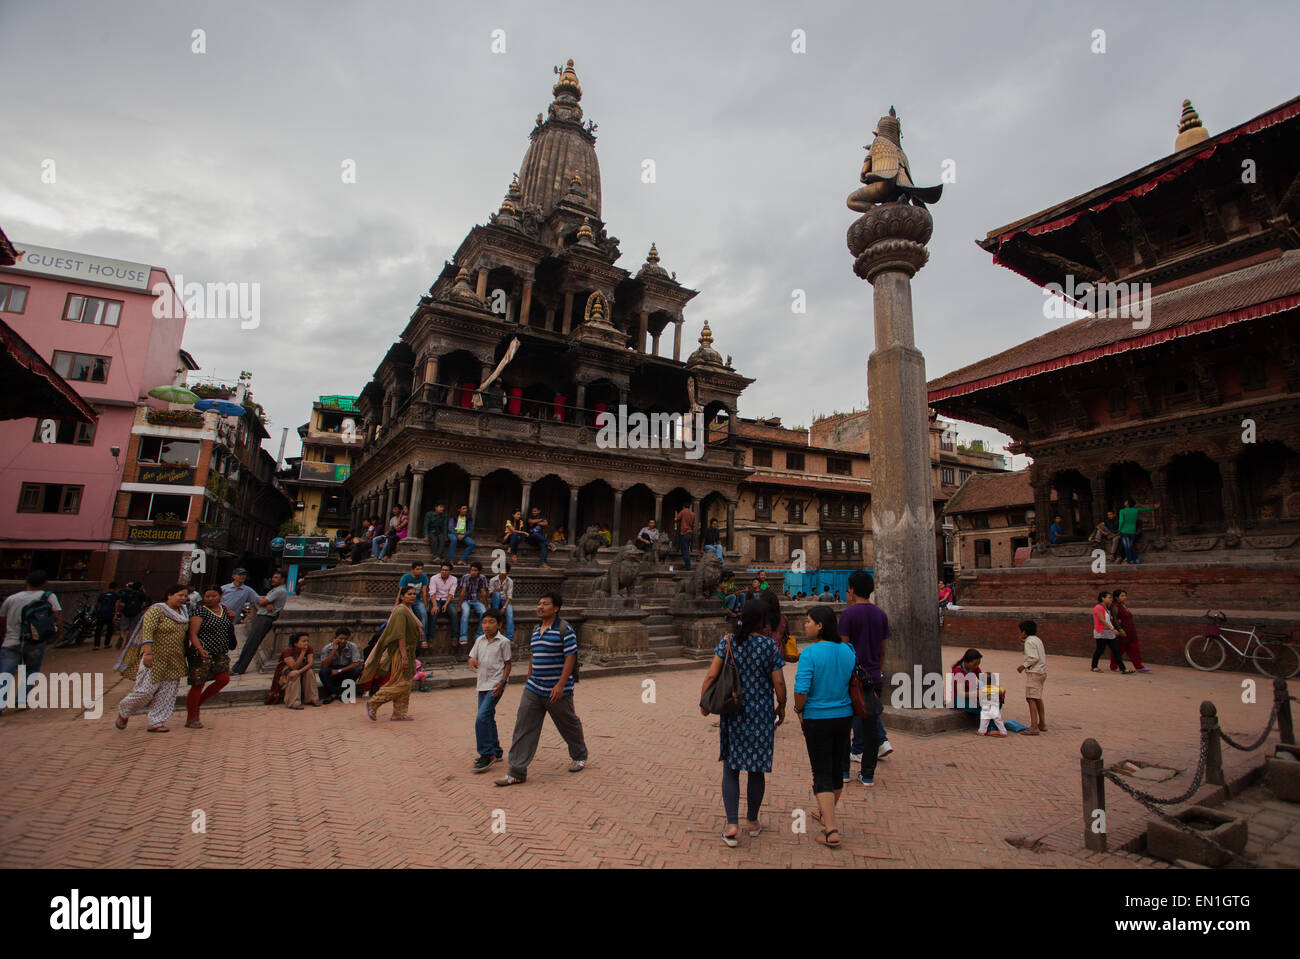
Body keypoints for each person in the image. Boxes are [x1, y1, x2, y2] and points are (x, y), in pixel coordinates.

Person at [700, 598, 786, 846]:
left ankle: (731, 824)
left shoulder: (727, 642)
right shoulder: (768, 646)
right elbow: (778, 682)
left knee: (731, 768)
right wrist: (782, 704)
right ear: (761, 622)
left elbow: (711, 675)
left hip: (733, 711)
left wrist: (704, 703)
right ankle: (752, 820)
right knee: (756, 769)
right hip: (760, 715)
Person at [495, 592, 588, 785]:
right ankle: (517, 771)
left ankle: (579, 755)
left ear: (555, 609)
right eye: (539, 603)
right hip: (534, 687)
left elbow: (570, 657)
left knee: (568, 723)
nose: (540, 607)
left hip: (556, 689)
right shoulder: (537, 629)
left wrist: (561, 685)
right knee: (524, 726)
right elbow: (534, 655)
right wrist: (529, 677)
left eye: (545, 604)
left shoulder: (565, 629)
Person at [793, 605, 855, 848]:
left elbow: (801, 689)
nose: (805, 625)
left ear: (820, 626)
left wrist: (799, 710)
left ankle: (830, 829)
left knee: (820, 771)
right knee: (837, 769)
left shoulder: (810, 654)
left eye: (809, 621)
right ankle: (825, 812)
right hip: (844, 715)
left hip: (817, 717)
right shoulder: (849, 650)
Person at [114, 584, 190, 732]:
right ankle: (124, 712)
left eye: (185, 596)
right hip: (155, 657)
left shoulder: (184, 613)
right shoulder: (157, 610)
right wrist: (147, 653)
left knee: (167, 693)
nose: (183, 598)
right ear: (169, 595)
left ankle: (156, 722)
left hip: (174, 659)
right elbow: (147, 632)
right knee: (145, 692)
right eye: (180, 595)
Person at [839, 570, 891, 785]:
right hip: (873, 677)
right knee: (870, 728)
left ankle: (843, 772)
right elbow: (882, 650)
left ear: (852, 590)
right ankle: (867, 774)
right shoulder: (881, 614)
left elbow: (843, 649)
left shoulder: (849, 615)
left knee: (843, 725)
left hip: (851, 678)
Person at [0, 570, 62, 709]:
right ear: (44, 583)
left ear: (26, 581)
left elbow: (2, 620)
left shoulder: (11, 599)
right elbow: (57, 617)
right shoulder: (48, 597)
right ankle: (21, 700)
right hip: (35, 640)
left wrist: (4, 636)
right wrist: (59, 635)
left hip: (11, 640)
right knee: (31, 670)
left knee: (5, 673)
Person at [361, 585, 422, 721]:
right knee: (402, 683)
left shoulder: (408, 610)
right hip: (402, 651)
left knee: (406, 682)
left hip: (410, 651)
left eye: (414, 594)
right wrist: (404, 656)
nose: (412, 596)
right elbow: (399, 634)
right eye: (409, 594)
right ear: (402, 596)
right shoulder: (400, 611)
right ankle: (374, 701)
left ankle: (399, 713)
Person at [184, 586, 235, 728]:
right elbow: (192, 633)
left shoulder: (223, 609)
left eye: (213, 596)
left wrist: (232, 618)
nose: (210, 599)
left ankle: (197, 703)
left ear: (220, 596)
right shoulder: (199, 611)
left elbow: (226, 628)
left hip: (220, 651)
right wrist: (199, 648)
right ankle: (192, 717)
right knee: (198, 683)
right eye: (207, 596)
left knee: (223, 679)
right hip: (202, 652)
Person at [469, 609, 513, 772]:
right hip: (482, 683)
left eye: (491, 622)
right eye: (484, 622)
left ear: (499, 624)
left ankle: (486, 754)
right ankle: (496, 749)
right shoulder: (479, 640)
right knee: (488, 716)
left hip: (496, 684)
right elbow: (472, 657)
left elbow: (508, 664)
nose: (487, 626)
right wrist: (472, 660)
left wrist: (502, 681)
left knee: (481, 717)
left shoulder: (503, 642)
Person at [230, 570, 287, 675]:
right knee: (250, 643)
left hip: (266, 618)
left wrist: (265, 602)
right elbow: (263, 601)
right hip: (264, 616)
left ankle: (238, 669)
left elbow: (261, 601)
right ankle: (238, 667)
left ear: (283, 580)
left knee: (251, 644)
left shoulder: (280, 591)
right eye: (273, 577)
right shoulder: (275, 590)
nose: (273, 580)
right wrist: (266, 603)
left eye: (276, 578)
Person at [269, 633, 321, 709]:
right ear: (296, 643)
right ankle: (294, 702)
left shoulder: (309, 649)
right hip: (286, 676)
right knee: (294, 674)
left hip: (301, 672)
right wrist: (302, 653)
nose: (306, 643)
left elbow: (310, 663)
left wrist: (299, 672)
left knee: (309, 672)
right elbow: (294, 667)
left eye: (307, 641)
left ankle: (312, 698)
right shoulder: (287, 652)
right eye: (303, 641)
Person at [1016, 619, 1047, 735]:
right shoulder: (1037, 640)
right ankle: (1042, 723)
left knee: (1030, 698)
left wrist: (1023, 666)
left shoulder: (1029, 642)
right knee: (1037, 697)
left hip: (1034, 672)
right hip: (1041, 672)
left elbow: (1033, 658)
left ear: (1024, 632)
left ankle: (1034, 726)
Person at [319, 627, 363, 703]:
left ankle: (336, 693)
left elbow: (357, 663)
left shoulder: (352, 646)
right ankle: (336, 693)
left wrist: (339, 670)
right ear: (335, 638)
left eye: (345, 639)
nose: (343, 641)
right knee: (323, 672)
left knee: (356, 670)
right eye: (341, 638)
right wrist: (333, 650)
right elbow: (324, 665)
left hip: (345, 669)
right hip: (332, 670)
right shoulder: (327, 648)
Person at [1110, 588, 1150, 673]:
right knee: (1119, 649)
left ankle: (1139, 666)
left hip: (1131, 631)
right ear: (1116, 597)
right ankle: (1113, 666)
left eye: (1125, 595)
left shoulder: (1123, 606)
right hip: (1123, 631)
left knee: (1134, 648)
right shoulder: (1115, 606)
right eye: (1122, 596)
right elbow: (1115, 620)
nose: (1124, 597)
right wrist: (1120, 630)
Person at [1090, 590, 1129, 673]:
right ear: (1102, 598)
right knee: (1100, 650)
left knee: (1116, 650)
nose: (1111, 599)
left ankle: (1123, 669)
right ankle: (1094, 666)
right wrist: (1113, 629)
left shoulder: (1107, 608)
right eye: (1109, 597)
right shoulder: (1098, 607)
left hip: (1109, 632)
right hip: (1101, 632)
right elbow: (1102, 620)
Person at [1117, 498, 1159, 565]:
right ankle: (1136, 559)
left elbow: (1121, 521)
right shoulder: (1135, 510)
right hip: (1132, 531)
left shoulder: (1122, 511)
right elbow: (1145, 509)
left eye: (1126, 501)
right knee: (1130, 546)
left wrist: (1119, 529)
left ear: (1128, 504)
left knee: (1127, 546)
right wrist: (1154, 508)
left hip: (1124, 531)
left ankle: (1130, 560)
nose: (1124, 502)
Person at [398, 561, 431, 642]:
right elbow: (400, 592)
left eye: (421, 569)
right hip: (406, 601)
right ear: (412, 570)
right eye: (417, 569)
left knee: (423, 613)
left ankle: (423, 639)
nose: (420, 571)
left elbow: (424, 592)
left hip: (417, 600)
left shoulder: (423, 577)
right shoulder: (406, 577)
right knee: (410, 615)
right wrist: (396, 604)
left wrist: (426, 605)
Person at [430, 562, 459, 638]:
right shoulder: (434, 578)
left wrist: (446, 605)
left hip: (447, 600)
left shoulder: (454, 579)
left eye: (446, 570)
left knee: (454, 613)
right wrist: (435, 605)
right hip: (436, 599)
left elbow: (451, 593)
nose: (444, 572)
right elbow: (432, 593)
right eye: (442, 570)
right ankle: (430, 637)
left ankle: (454, 637)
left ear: (450, 571)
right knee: (433, 613)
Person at [488, 565, 515, 640]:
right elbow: (490, 594)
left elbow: (509, 596)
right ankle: (495, 631)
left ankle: (510, 638)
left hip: (505, 601)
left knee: (510, 613)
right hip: (495, 600)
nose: (502, 572)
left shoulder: (510, 581)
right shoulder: (493, 580)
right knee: (496, 594)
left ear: (507, 572)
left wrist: (504, 607)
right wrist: (496, 590)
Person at [118, 581, 149, 646]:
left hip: (125, 612)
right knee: (131, 629)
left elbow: (122, 604)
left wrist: (121, 610)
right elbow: (143, 604)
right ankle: (127, 643)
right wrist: (140, 609)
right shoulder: (141, 594)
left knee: (123, 628)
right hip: (135, 612)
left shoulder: (127, 594)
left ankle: (121, 636)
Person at [93, 581, 120, 651]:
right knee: (110, 629)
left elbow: (97, 605)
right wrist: (115, 615)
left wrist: (98, 612)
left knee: (98, 630)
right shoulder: (116, 595)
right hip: (110, 614)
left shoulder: (102, 595)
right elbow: (116, 605)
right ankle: (106, 644)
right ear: (116, 588)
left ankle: (96, 645)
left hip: (101, 614)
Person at [674, 502, 696, 570]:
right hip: (690, 533)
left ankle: (688, 566)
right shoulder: (693, 514)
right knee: (687, 549)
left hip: (684, 533)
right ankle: (687, 565)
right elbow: (694, 525)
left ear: (683, 507)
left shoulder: (683, 511)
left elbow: (675, 519)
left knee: (685, 550)